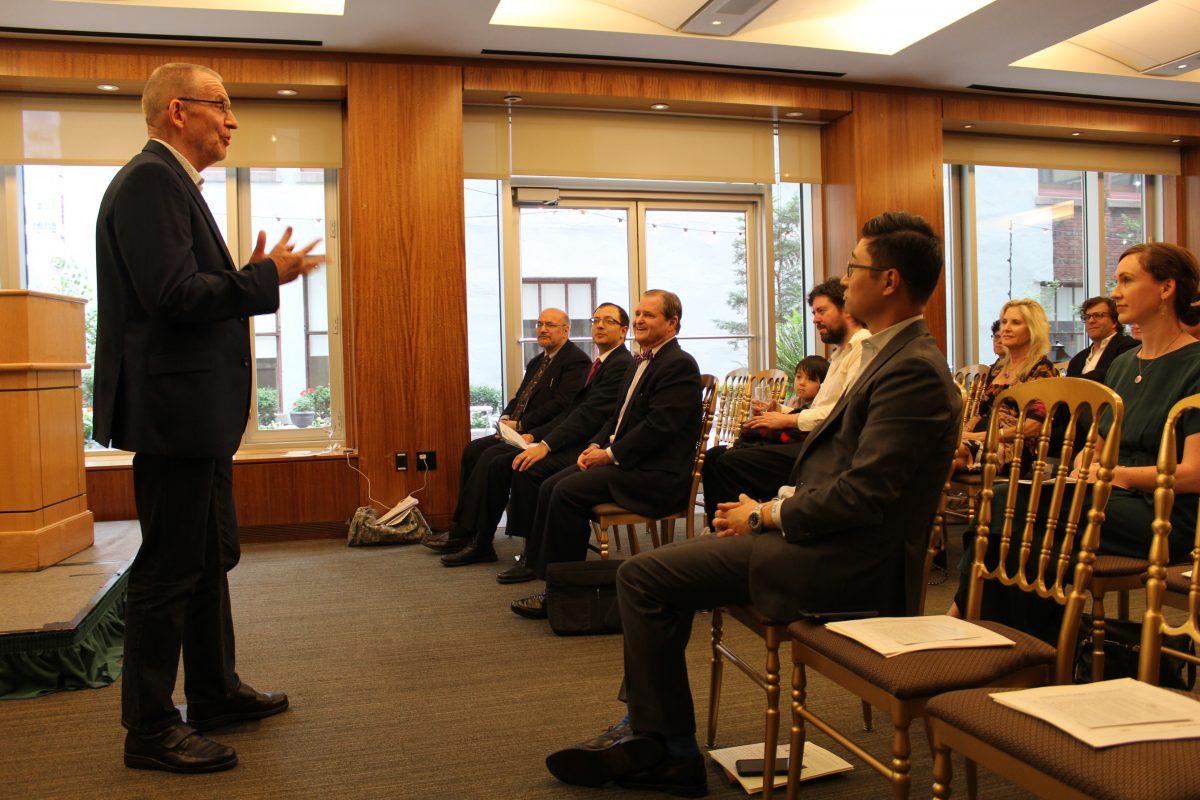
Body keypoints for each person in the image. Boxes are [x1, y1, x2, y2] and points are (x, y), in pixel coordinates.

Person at [542, 212, 959, 797]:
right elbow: (837, 472)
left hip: (850, 562)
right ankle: (652, 732)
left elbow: (864, 496)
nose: (844, 281)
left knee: (641, 578)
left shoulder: (911, 369)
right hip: (819, 539)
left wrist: (765, 515)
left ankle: (667, 748)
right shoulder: (888, 356)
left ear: (888, 281)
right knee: (645, 575)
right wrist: (770, 505)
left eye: (852, 269)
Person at [92, 63, 324, 773]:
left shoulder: (172, 185)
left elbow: (194, 290)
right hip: (174, 415)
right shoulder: (149, 182)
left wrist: (243, 280)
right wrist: (262, 279)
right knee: (169, 568)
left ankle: (215, 690)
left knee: (206, 557)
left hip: (195, 414)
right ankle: (151, 728)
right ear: (174, 112)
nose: (231, 119)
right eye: (220, 106)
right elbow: (172, 295)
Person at [950, 242, 1200, 635]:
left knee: (1018, 513)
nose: (1115, 292)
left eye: (1127, 280)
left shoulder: (1195, 364)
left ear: (1167, 288)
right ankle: (1020, 638)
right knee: (1008, 513)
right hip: (1106, 498)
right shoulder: (1121, 365)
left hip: (1161, 514)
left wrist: (1115, 475)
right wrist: (1085, 466)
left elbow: (1193, 474)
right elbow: (1096, 446)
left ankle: (980, 626)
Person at [509, 290, 702, 617]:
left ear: (672, 323)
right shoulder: (640, 360)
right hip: (629, 462)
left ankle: (562, 593)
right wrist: (595, 445)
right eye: (638, 313)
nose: (639, 319)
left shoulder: (679, 364)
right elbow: (616, 417)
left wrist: (610, 455)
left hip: (655, 474)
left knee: (566, 493)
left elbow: (658, 428)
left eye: (649, 315)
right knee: (550, 484)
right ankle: (553, 582)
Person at [441, 303, 633, 572]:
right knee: (483, 453)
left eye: (608, 321)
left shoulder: (615, 364)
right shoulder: (598, 363)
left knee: (522, 466)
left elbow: (585, 414)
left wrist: (542, 441)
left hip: (589, 443)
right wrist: (519, 425)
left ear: (624, 331)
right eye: (596, 319)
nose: (599, 325)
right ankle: (476, 536)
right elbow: (563, 409)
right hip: (572, 436)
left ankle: (530, 553)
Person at [424, 307, 590, 561]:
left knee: (492, 458)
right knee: (472, 450)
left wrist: (521, 426)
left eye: (550, 325)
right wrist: (506, 417)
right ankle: (463, 530)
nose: (543, 329)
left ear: (566, 330)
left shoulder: (576, 361)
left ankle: (481, 540)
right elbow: (520, 397)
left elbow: (562, 406)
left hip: (541, 435)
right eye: (539, 324)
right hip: (518, 431)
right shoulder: (537, 361)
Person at [701, 278, 868, 526]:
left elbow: (841, 414)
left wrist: (787, 419)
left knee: (730, 462)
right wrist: (781, 410)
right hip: (814, 439)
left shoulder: (862, 348)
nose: (815, 319)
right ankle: (718, 529)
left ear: (845, 309)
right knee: (713, 456)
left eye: (822, 311)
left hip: (827, 449)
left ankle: (737, 531)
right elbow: (820, 409)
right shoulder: (840, 353)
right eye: (814, 312)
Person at [952, 298, 1058, 473]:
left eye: (1015, 322)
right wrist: (963, 432)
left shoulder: (1042, 369)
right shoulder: (997, 369)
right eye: (1004, 322)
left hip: (1014, 450)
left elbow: (1033, 427)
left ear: (1033, 329)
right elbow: (981, 413)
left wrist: (982, 437)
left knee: (949, 453)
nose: (1005, 328)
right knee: (938, 446)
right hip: (981, 439)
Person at [1065, 296, 1137, 382]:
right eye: (1087, 317)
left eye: (1098, 315)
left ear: (1114, 321)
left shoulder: (1129, 347)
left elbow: (1108, 375)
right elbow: (1067, 389)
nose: (1091, 321)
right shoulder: (1078, 359)